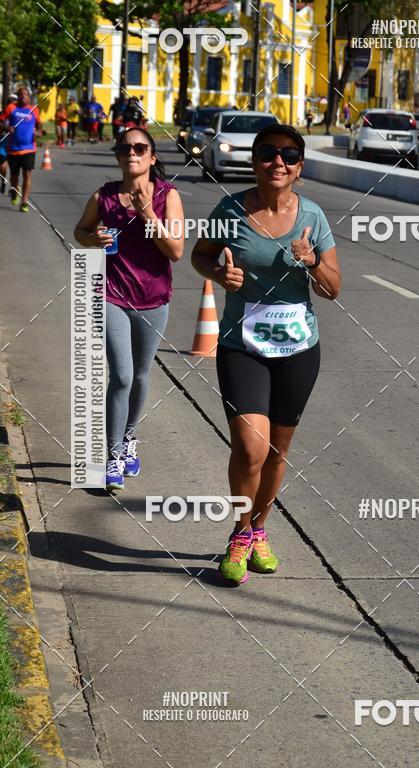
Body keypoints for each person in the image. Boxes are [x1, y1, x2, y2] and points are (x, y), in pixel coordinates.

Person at [191, 123, 341, 585]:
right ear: (254, 161)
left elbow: (333, 289)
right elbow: (199, 255)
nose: (278, 162)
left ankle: (259, 529)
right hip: (242, 346)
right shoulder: (230, 209)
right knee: (250, 447)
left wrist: (312, 260)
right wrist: (219, 275)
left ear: (299, 166)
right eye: (268, 154)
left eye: (289, 155)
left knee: (277, 453)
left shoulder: (312, 217)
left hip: (299, 350)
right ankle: (238, 534)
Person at [73, 127, 184, 491]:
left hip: (153, 300)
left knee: (140, 375)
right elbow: (80, 232)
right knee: (120, 375)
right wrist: (93, 239)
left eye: (140, 148)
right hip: (112, 296)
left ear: (152, 157)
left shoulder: (169, 197)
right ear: (119, 156)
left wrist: (148, 213)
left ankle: (130, 434)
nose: (132, 153)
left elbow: (176, 251)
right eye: (125, 148)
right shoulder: (103, 197)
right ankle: (113, 454)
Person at [3, 86, 42, 213]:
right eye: (21, 94)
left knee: (27, 174)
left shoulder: (34, 110)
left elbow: (39, 125)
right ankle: (15, 192)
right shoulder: (11, 108)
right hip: (13, 149)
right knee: (14, 176)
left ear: (29, 97)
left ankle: (24, 202)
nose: (23, 96)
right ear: (18, 96)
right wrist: (6, 128)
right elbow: (1, 121)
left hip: (29, 149)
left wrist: (39, 131)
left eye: (26, 94)